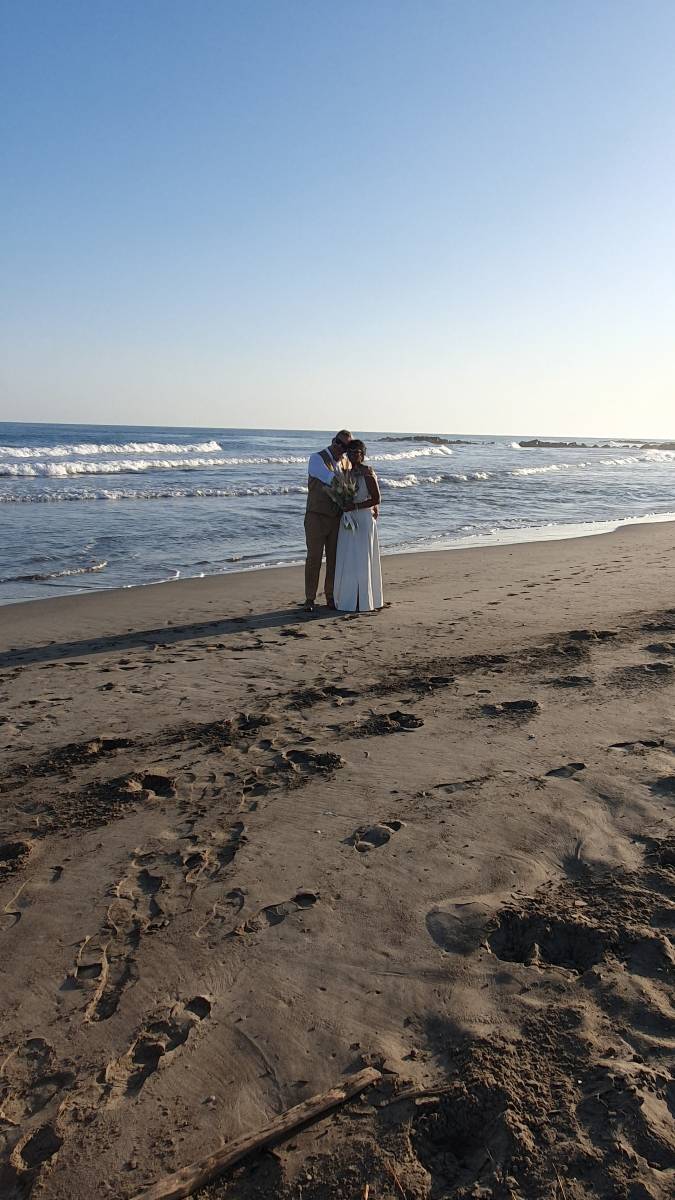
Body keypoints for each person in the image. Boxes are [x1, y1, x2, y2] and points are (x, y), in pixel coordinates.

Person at [304, 429, 352, 613]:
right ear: (333, 440)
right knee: (314, 558)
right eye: (338, 442)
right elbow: (330, 478)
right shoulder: (317, 458)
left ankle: (330, 596)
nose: (339, 447)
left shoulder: (347, 462)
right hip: (316, 516)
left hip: (336, 518)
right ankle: (310, 598)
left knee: (334, 560)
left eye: (345, 446)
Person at [333, 439, 383, 612]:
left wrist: (355, 506)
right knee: (348, 557)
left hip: (363, 518)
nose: (354, 455)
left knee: (362, 557)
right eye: (351, 452)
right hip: (348, 518)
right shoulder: (344, 472)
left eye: (357, 452)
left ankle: (365, 599)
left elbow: (376, 499)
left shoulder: (367, 472)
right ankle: (348, 598)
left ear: (363, 454)